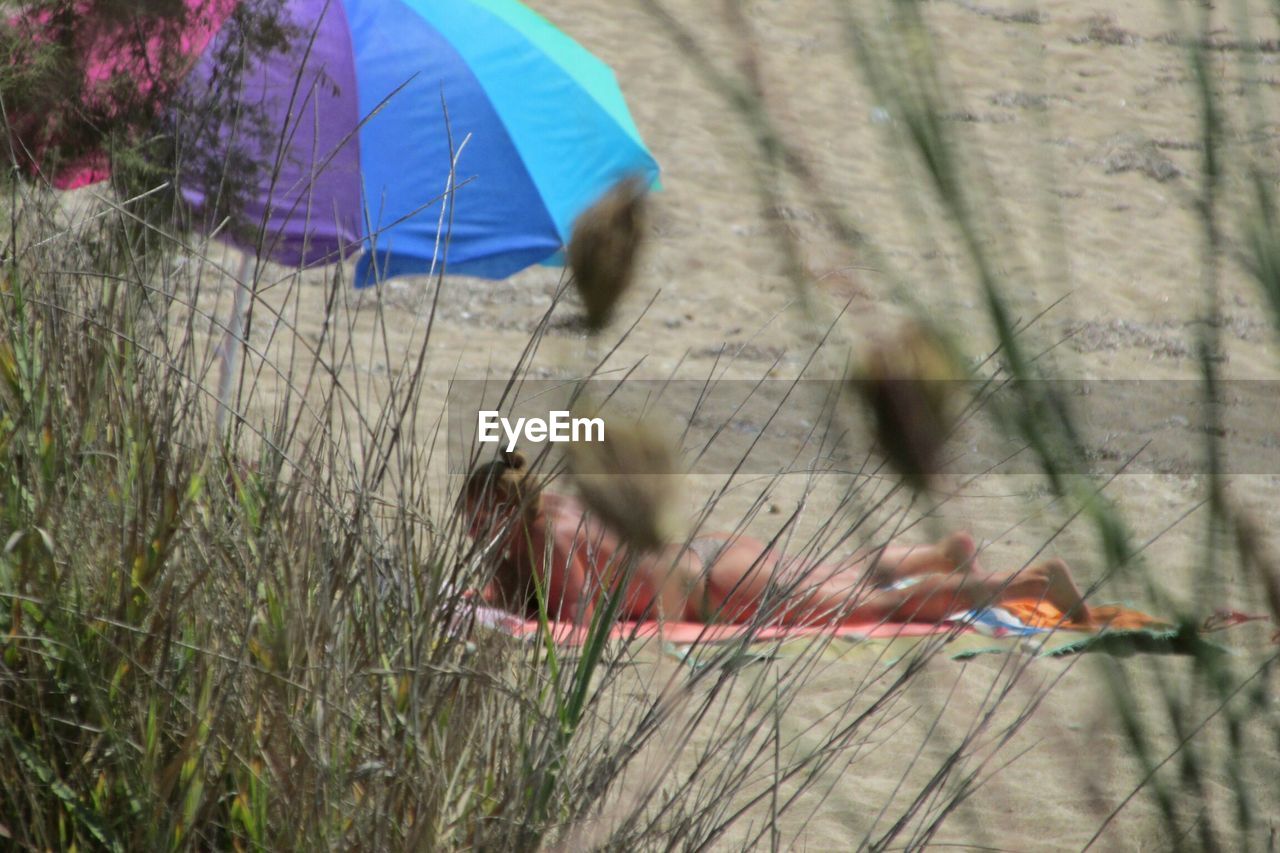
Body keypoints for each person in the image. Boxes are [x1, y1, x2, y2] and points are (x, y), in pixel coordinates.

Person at [462, 451, 1094, 628]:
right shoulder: (552, 502)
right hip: (712, 550)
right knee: (836, 574)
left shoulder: (543, 535)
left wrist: (507, 599)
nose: (470, 534)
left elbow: (576, 615)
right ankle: (934, 556)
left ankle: (1031, 582)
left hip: (715, 589)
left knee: (870, 610)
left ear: (497, 509)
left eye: (474, 520)